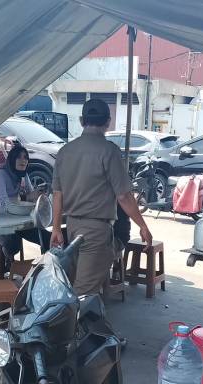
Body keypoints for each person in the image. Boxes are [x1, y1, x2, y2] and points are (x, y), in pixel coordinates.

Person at [50, 98, 152, 296]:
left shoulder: (65, 151)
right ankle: (74, 318)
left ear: (81, 121)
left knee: (73, 286)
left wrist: (55, 228)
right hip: (96, 231)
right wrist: (143, 225)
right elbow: (123, 196)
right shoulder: (109, 151)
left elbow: (57, 194)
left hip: (71, 227)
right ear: (108, 122)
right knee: (84, 293)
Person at [0, 143, 50, 271]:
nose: (23, 160)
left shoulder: (23, 176)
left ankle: (46, 270)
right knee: (13, 243)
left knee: (47, 238)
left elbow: (31, 196)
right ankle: (5, 269)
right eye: (19, 157)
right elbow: (4, 203)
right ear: (12, 159)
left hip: (18, 221)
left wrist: (38, 195)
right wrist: (26, 198)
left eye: (25, 157)